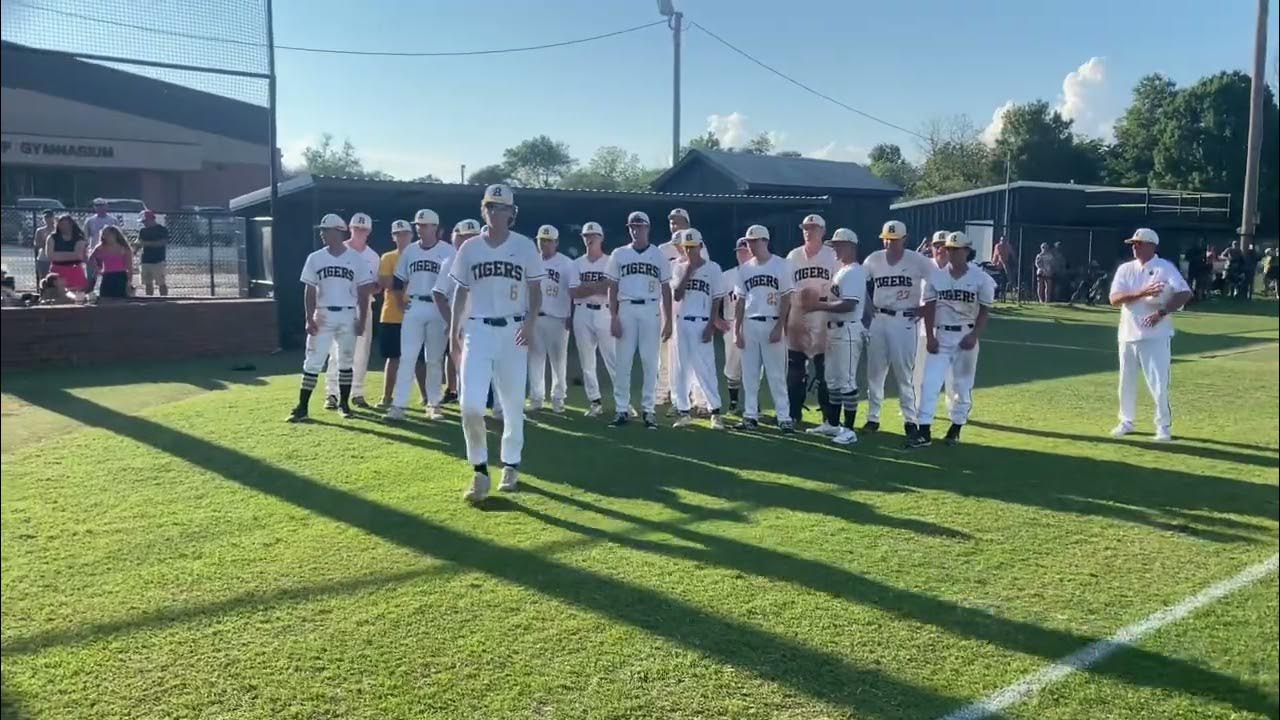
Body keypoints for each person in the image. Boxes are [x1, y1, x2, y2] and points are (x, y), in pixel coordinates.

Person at [448, 184, 544, 502]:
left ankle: (511, 463)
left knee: (513, 404)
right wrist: (453, 332)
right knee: (470, 405)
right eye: (490, 206)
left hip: (513, 331)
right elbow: (461, 292)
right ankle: (479, 470)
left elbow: (535, 289)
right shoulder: (470, 248)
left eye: (501, 207)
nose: (494, 212)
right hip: (477, 330)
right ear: (483, 209)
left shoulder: (525, 246)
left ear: (511, 213)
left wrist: (530, 322)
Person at [910, 231, 996, 448]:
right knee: (928, 383)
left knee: (961, 385)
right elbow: (928, 307)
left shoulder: (981, 278)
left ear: (967, 251)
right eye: (949, 249)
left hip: (965, 335)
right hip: (942, 334)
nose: (952, 253)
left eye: (957, 250)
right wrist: (930, 337)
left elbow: (985, 310)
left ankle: (956, 426)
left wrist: (974, 335)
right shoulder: (936, 276)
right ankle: (924, 430)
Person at [286, 213, 375, 422]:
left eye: (326, 230)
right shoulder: (315, 257)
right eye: (322, 230)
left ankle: (344, 404)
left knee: (346, 361)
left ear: (338, 231)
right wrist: (309, 317)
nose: (322, 234)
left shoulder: (356, 259)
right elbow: (309, 289)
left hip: (347, 313)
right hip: (323, 313)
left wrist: (362, 321)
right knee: (313, 361)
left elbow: (364, 293)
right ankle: (302, 406)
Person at [1108, 228, 1192, 442]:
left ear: (1151, 245)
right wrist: (1142, 293)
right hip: (1127, 333)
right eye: (1133, 244)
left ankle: (1163, 425)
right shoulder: (1125, 269)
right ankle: (1126, 421)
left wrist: (1161, 312)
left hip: (1156, 335)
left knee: (1158, 382)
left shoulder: (1164, 268)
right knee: (1125, 382)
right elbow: (1115, 298)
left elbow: (1184, 293)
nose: (1134, 247)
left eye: (1139, 243)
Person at [862, 220, 935, 437]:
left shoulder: (917, 260)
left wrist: (924, 309)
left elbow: (937, 282)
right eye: (886, 239)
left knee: (904, 374)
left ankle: (910, 420)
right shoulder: (873, 259)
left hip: (904, 319)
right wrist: (867, 308)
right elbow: (859, 282)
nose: (889, 243)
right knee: (874, 372)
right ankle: (873, 418)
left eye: (894, 239)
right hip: (880, 317)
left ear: (904, 239)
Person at [605, 211, 673, 429]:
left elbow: (666, 289)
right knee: (623, 362)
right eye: (632, 226)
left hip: (650, 309)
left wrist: (669, 319)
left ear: (648, 228)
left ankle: (649, 410)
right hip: (626, 308)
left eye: (640, 226)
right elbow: (612, 286)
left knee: (650, 362)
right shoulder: (619, 254)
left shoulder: (659, 255)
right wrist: (613, 316)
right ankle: (621, 409)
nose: (636, 229)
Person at [386, 210, 454, 421]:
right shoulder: (410, 251)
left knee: (433, 359)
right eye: (418, 225)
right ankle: (398, 405)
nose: (419, 228)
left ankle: (433, 405)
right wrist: (399, 303)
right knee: (407, 357)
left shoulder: (449, 251)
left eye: (424, 225)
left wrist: (450, 313)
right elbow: (397, 281)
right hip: (415, 305)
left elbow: (455, 286)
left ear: (435, 227)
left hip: (438, 307)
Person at [800, 228, 865, 445]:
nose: (835, 248)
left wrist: (816, 305)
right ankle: (833, 424)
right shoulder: (842, 270)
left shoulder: (854, 271)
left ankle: (849, 429)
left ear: (851, 246)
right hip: (835, 330)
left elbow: (849, 304)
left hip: (847, 328)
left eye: (839, 245)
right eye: (834, 245)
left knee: (846, 380)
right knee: (832, 380)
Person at [732, 224, 794, 432]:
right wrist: (737, 330)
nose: (751, 245)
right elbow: (740, 302)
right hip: (750, 322)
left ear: (765, 241)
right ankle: (750, 415)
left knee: (776, 374)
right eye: (749, 242)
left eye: (754, 241)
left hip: (772, 321)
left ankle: (784, 417)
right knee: (749, 374)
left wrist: (780, 326)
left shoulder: (781, 265)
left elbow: (787, 298)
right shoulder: (745, 268)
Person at [669, 228, 726, 429]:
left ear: (701, 246)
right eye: (687, 247)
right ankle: (683, 411)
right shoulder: (678, 267)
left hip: (702, 321)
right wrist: (688, 271)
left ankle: (715, 412)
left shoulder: (713, 268)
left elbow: (716, 298)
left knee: (706, 368)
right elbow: (677, 295)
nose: (690, 251)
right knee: (681, 368)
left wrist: (711, 325)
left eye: (693, 247)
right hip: (683, 321)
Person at [787, 214, 840, 435]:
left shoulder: (832, 255)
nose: (808, 231)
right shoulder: (793, 256)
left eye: (813, 228)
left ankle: (827, 417)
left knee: (823, 368)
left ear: (823, 231)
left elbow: (839, 287)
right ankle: (793, 413)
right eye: (806, 228)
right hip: (798, 313)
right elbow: (787, 287)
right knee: (794, 367)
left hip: (822, 312)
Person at [655, 207, 709, 415]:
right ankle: (667, 394)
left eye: (678, 222)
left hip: (692, 305)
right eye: (672, 222)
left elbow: (706, 273)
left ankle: (700, 399)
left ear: (687, 223)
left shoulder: (699, 246)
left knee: (694, 356)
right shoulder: (662, 249)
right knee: (667, 355)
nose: (674, 225)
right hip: (666, 304)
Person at [324, 213, 381, 409]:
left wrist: (369, 288)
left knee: (361, 352)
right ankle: (332, 393)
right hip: (340, 305)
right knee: (336, 352)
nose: (360, 232)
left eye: (363, 229)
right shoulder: (338, 249)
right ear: (350, 228)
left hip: (363, 305)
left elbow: (376, 285)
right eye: (357, 228)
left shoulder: (373, 256)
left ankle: (357, 393)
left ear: (369, 231)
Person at [569, 221, 620, 417]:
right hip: (582, 312)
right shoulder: (577, 263)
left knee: (613, 358)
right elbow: (574, 292)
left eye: (593, 236)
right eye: (586, 236)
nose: (589, 239)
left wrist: (588, 286)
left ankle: (622, 402)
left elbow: (611, 289)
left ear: (601, 238)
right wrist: (599, 285)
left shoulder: (610, 261)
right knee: (587, 360)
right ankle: (595, 402)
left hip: (604, 311)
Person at [375, 219, 426, 409]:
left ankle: (426, 397)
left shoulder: (418, 255)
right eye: (398, 234)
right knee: (393, 358)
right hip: (392, 315)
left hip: (416, 313)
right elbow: (385, 282)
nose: (402, 237)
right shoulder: (388, 257)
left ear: (411, 235)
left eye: (405, 233)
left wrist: (400, 281)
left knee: (420, 359)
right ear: (393, 237)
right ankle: (387, 397)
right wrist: (406, 284)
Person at [528, 224, 574, 413]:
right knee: (535, 359)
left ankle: (558, 398)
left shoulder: (566, 263)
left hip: (558, 318)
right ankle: (536, 398)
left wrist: (571, 315)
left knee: (558, 361)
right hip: (535, 317)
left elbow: (572, 292)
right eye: (542, 240)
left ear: (556, 242)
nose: (545, 244)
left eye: (548, 241)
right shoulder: (531, 261)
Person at [437, 219, 482, 404]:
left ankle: (494, 406)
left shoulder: (487, 258)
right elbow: (438, 293)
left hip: (483, 321)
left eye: (473, 236)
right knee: (463, 365)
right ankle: (464, 402)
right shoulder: (451, 262)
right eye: (465, 237)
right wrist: (452, 322)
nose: (469, 241)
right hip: (463, 322)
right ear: (458, 238)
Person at [914, 231, 953, 415]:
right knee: (918, 369)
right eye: (937, 245)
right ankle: (915, 404)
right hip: (923, 326)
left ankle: (955, 410)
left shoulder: (957, 269)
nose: (941, 250)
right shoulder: (922, 267)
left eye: (945, 246)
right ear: (931, 247)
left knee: (952, 373)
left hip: (950, 327)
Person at [719, 237, 752, 414]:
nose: (742, 254)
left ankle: (752, 404)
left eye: (745, 250)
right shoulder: (727, 276)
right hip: (732, 322)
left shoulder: (759, 272)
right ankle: (733, 402)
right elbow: (715, 299)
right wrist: (717, 320)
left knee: (754, 367)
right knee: (732, 366)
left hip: (753, 323)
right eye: (739, 251)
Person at [47, 213, 88, 294]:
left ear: (71, 224)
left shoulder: (79, 238)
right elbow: (50, 256)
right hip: (57, 271)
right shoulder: (52, 237)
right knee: (57, 293)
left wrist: (58, 254)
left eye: (66, 224)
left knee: (77, 294)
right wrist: (71, 254)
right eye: (61, 224)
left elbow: (78, 256)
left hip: (75, 270)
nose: (64, 226)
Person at [90, 225, 133, 299]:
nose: (106, 236)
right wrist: (97, 269)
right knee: (105, 297)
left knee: (120, 298)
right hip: (107, 275)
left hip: (120, 276)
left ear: (115, 235)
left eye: (109, 234)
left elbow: (129, 267)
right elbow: (91, 258)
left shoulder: (123, 248)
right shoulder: (101, 247)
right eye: (104, 234)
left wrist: (129, 281)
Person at [137, 209, 169, 296]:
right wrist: (134, 250)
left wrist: (146, 243)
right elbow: (139, 243)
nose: (144, 223)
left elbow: (162, 243)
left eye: (145, 221)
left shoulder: (161, 229)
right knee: (148, 283)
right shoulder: (143, 231)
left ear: (151, 219)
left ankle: (164, 300)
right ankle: (149, 300)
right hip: (145, 260)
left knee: (161, 283)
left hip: (158, 260)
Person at [33, 209, 55, 280]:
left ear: (53, 217)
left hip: (56, 257)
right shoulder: (40, 231)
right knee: (43, 278)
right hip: (43, 257)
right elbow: (36, 244)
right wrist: (46, 243)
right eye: (46, 217)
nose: (48, 219)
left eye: (50, 217)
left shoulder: (58, 229)